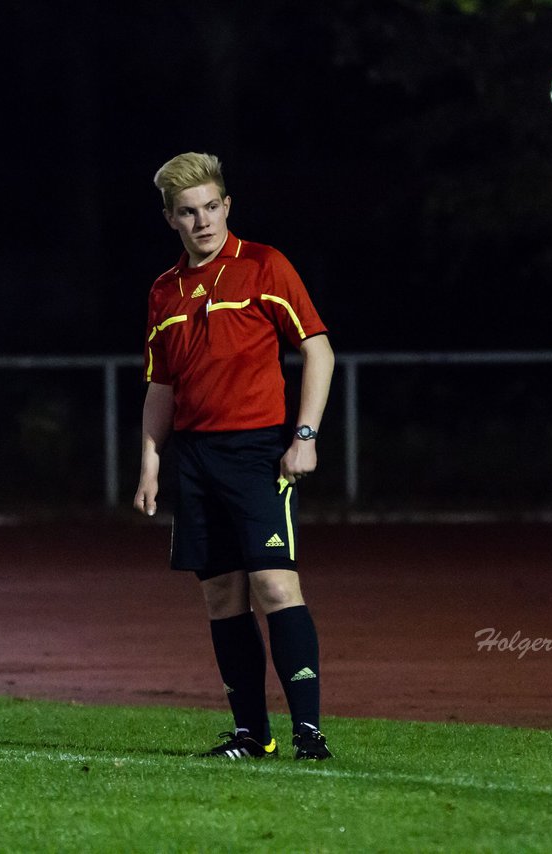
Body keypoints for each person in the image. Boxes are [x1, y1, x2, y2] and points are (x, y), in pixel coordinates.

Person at [134, 152, 336, 761]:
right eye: (188, 212)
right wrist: (150, 460)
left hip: (255, 451)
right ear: (171, 218)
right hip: (193, 459)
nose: (203, 222)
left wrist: (304, 436)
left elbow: (318, 351)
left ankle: (308, 733)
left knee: (275, 586)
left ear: (227, 205)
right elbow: (161, 387)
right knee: (222, 596)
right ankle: (254, 734)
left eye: (211, 208)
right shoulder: (164, 290)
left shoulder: (263, 266)